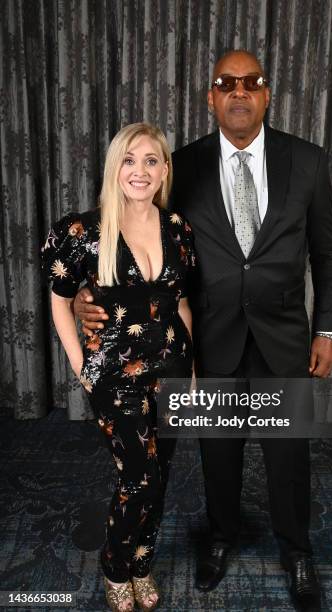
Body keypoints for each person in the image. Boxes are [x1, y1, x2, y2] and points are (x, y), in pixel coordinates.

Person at [74, 50, 332, 611]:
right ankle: (220, 539)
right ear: (211, 97)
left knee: (287, 455)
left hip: (284, 337)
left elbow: (326, 254)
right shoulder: (182, 166)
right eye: (227, 83)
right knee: (217, 452)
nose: (239, 92)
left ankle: (296, 550)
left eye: (252, 83)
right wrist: (85, 294)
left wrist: (330, 331)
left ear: (267, 94)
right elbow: (134, 235)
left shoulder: (308, 161)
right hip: (209, 341)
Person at [42, 123, 195, 612]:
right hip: (114, 373)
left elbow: (181, 303)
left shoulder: (178, 229)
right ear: (115, 168)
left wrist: (193, 374)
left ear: (165, 170)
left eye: (151, 160)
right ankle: (115, 565)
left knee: (163, 472)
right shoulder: (83, 232)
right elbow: (60, 302)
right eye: (130, 160)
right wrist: (80, 367)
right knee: (138, 476)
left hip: (173, 365)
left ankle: (143, 563)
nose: (140, 170)